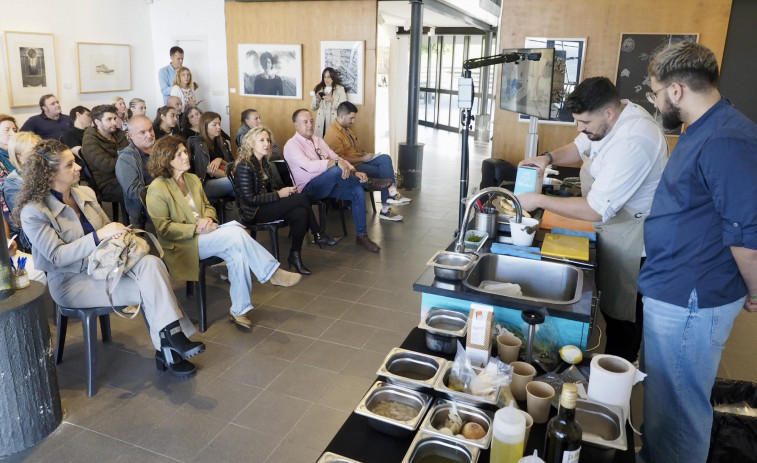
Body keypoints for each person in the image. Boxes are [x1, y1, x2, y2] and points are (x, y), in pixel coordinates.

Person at [636, 41, 757, 463]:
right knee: (665, 401)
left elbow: (747, 234)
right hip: (674, 286)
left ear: (675, 91)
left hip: (691, 296)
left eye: (653, 92)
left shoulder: (726, 138)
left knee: (680, 413)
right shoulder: (703, 129)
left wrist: (754, 290)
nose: (654, 101)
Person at [18, 139, 205, 378]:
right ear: (50, 174)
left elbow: (108, 228)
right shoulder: (34, 211)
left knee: (152, 263)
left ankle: (170, 340)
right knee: (153, 286)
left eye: (75, 162)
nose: (78, 168)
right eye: (69, 165)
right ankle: (170, 345)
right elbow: (56, 256)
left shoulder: (84, 193)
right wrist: (97, 237)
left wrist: (116, 232)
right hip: (71, 281)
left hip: (107, 265)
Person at [516, 77, 667, 363]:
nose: (580, 128)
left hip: (635, 242)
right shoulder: (608, 117)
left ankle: (619, 369)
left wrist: (538, 200)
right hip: (614, 228)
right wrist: (547, 157)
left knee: (623, 318)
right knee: (612, 310)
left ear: (608, 113)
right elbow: (579, 145)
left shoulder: (635, 140)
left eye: (583, 122)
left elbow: (597, 209)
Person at [145, 135, 301, 330]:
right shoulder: (157, 188)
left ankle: (240, 309)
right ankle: (271, 272)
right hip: (183, 243)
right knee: (237, 233)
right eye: (179, 154)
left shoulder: (192, 179)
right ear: (166, 159)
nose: (187, 156)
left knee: (238, 253)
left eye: (185, 151)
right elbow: (164, 229)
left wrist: (209, 219)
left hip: (207, 234)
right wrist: (196, 227)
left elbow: (208, 206)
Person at [233, 126, 337, 274]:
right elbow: (249, 199)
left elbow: (267, 191)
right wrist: (279, 195)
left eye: (268, 140)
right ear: (251, 143)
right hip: (254, 212)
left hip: (266, 206)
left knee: (301, 212)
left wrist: (284, 192)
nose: (266, 144)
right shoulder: (245, 165)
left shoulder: (265, 163)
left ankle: (295, 256)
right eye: (261, 140)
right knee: (301, 198)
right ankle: (318, 234)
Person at [284, 109, 391, 253]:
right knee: (335, 170)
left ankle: (362, 235)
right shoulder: (291, 145)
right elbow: (309, 166)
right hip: (308, 188)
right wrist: (334, 163)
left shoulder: (318, 140)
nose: (310, 124)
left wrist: (354, 171)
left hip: (328, 182)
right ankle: (368, 183)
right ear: (295, 125)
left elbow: (336, 157)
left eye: (311, 121)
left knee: (356, 191)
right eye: (305, 122)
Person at [325, 101, 411, 222]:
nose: (353, 121)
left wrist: (365, 154)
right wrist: (362, 159)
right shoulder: (333, 134)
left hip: (360, 160)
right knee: (383, 172)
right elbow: (339, 160)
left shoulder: (346, 128)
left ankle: (391, 192)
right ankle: (386, 208)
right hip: (352, 167)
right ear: (342, 116)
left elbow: (354, 149)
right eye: (351, 118)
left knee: (385, 158)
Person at [3, 132, 46, 283]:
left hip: (49, 223)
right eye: (34, 151)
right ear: (19, 157)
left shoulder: (44, 173)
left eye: (41, 149)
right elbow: (26, 219)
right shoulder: (13, 183)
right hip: (31, 232)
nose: (40, 155)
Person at [81, 104, 129, 202]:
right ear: (97, 122)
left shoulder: (118, 134)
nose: (114, 122)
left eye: (115, 118)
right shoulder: (89, 140)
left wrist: (128, 158)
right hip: (108, 183)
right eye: (109, 119)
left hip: (127, 175)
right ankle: (137, 217)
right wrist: (128, 159)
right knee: (139, 190)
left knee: (153, 182)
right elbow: (108, 166)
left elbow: (133, 155)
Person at [116, 116, 156, 229]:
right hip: (148, 205)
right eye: (142, 132)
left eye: (151, 129)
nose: (149, 135)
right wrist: (164, 192)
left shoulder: (160, 149)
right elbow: (134, 191)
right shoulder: (126, 159)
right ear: (131, 135)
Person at [187, 112, 235, 200]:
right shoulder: (198, 143)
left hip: (222, 178)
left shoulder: (222, 142)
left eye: (219, 124)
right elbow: (209, 170)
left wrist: (219, 159)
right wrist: (230, 175)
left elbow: (231, 164)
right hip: (205, 183)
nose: (219, 127)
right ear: (205, 126)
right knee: (239, 181)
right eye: (214, 125)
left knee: (240, 192)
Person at [311, 67, 347, 137]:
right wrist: (317, 100)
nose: (326, 79)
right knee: (320, 144)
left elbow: (344, 108)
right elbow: (312, 108)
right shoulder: (319, 88)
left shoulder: (340, 89)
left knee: (331, 143)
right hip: (320, 123)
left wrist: (332, 100)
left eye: (329, 77)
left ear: (333, 77)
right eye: (324, 77)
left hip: (333, 122)